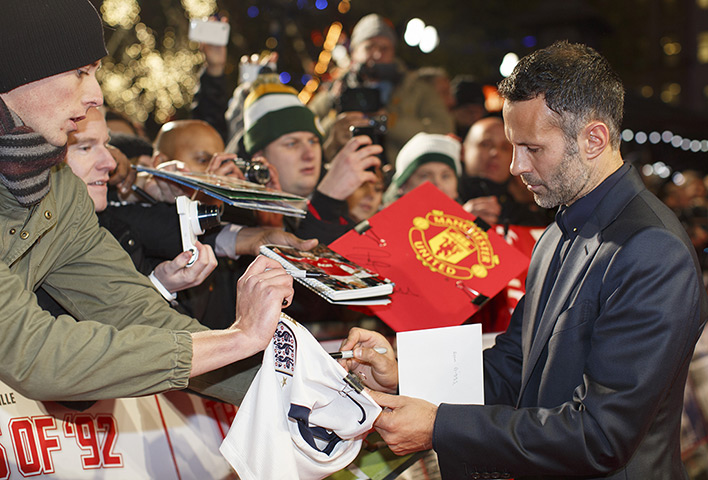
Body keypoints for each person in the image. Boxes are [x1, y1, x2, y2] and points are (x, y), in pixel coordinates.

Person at [337, 41, 708, 479]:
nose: (515, 166)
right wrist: (404, 377)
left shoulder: (651, 250)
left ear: (594, 139)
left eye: (532, 148)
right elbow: (514, 365)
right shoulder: (556, 233)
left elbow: (601, 436)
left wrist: (439, 426)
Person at [0, 0, 292, 404]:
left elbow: (134, 311)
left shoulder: (58, 188)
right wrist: (238, 339)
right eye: (80, 72)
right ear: (17, 73)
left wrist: (308, 391)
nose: (95, 96)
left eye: (96, 74)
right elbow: (33, 354)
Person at [308, 13, 454, 165]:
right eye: (369, 47)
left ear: (393, 52)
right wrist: (335, 113)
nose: (377, 54)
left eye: (384, 48)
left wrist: (390, 122)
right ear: (354, 51)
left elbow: (443, 131)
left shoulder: (416, 89)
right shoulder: (335, 90)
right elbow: (307, 133)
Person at [459, 116, 552, 227]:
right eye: (486, 144)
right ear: (463, 151)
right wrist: (459, 221)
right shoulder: (440, 198)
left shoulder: (527, 218)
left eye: (505, 148)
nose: (495, 153)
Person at [382, 132, 461, 205]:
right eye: (425, 176)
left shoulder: (471, 218)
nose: (438, 185)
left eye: (445, 176)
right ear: (403, 186)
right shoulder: (379, 219)